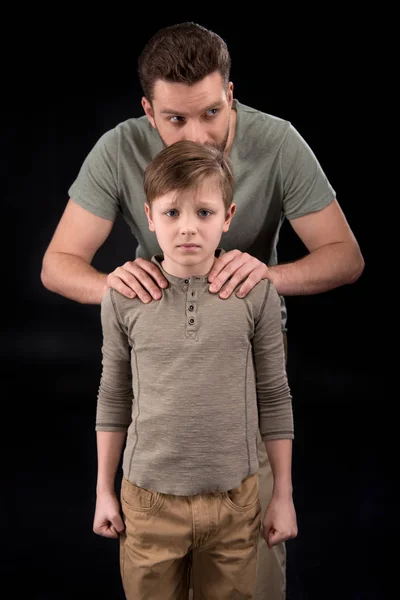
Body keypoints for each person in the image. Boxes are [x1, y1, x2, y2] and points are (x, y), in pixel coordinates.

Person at [40, 21, 364, 599]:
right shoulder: (119, 147)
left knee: (252, 566)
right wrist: (117, 284)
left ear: (230, 93)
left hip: (245, 347)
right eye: (177, 119)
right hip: (156, 346)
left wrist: (268, 275)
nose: (200, 133)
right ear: (148, 110)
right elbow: (58, 263)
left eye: (213, 112)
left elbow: (346, 257)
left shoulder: (279, 141)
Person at [93, 139, 297, 599]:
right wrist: (104, 491)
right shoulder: (123, 296)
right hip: (148, 502)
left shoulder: (256, 293)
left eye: (204, 213)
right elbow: (113, 396)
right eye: (172, 214)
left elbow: (274, 395)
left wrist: (281, 496)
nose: (187, 228)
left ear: (228, 217)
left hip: (235, 501)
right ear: (149, 216)